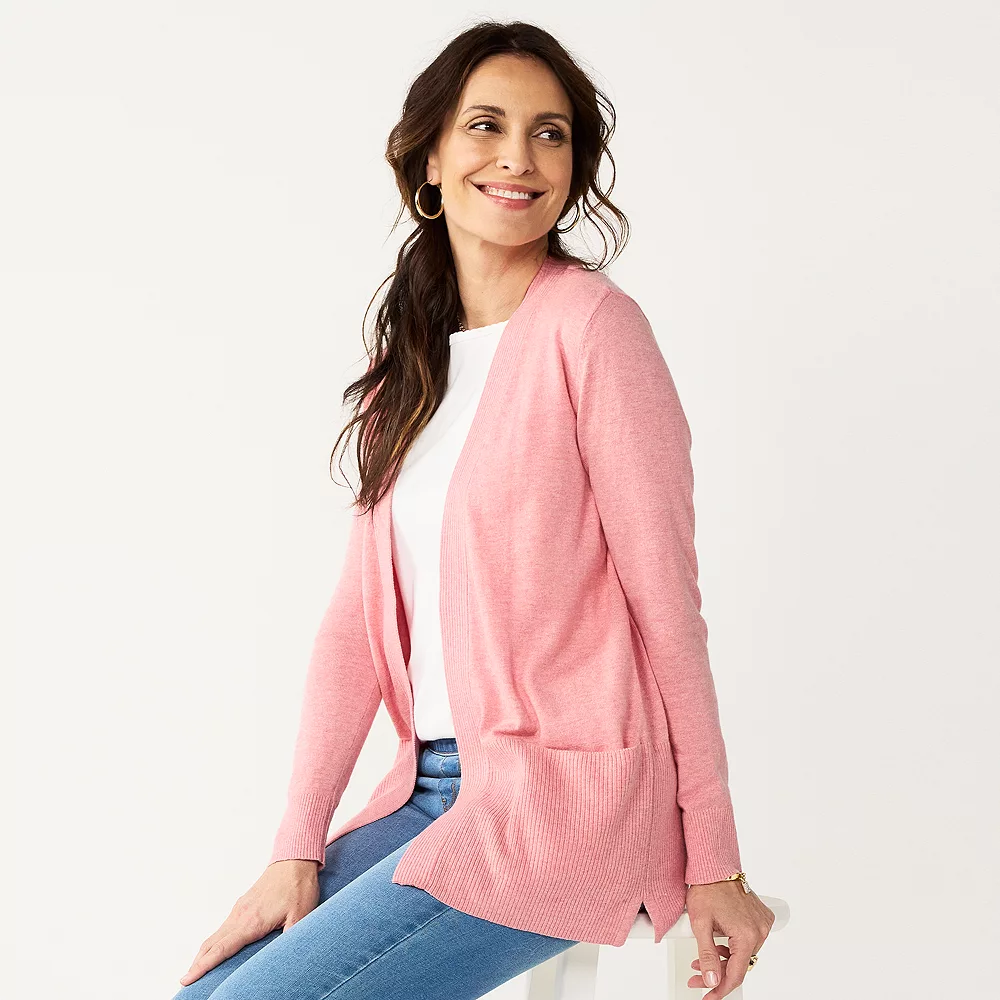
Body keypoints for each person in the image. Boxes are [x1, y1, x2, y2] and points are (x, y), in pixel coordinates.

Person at [173, 19, 774, 1000]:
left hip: (569, 808)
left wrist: (716, 857)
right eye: (486, 125)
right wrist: (295, 845)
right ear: (429, 160)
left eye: (550, 134)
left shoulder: (595, 330)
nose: (518, 157)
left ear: (573, 169)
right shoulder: (408, 371)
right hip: (431, 793)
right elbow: (353, 630)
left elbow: (668, 605)